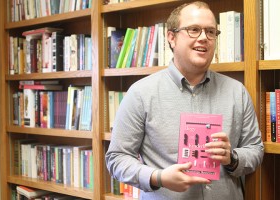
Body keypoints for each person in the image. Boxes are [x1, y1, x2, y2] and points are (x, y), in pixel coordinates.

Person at [105, 1, 264, 199]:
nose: (204, 38)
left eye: (211, 31)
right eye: (194, 30)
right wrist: (158, 177)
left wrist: (232, 158)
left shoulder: (237, 92)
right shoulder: (140, 94)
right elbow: (116, 159)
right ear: (171, 37)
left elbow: (255, 150)